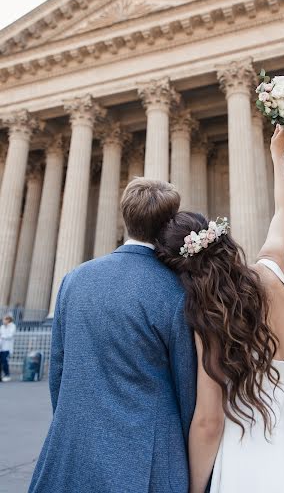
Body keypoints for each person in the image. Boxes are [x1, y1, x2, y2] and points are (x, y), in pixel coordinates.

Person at [156, 124, 284, 493]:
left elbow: (208, 421)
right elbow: (283, 212)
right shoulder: (271, 269)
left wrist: (191, 487)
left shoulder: (210, 317)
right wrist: (277, 156)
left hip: (251, 432)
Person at [29, 179, 197, 493]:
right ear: (168, 223)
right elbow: (188, 389)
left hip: (74, 447)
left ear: (125, 218)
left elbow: (59, 372)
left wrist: (75, 421)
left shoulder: (73, 280)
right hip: (150, 457)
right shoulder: (176, 290)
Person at [0, 315, 17, 382]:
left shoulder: (12, 326)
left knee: (4, 361)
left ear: (8, 320)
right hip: (1, 347)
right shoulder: (2, 327)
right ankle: (1, 376)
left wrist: (2, 336)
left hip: (7, 347)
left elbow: (10, 335)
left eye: (4, 319)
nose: (3, 321)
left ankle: (7, 375)